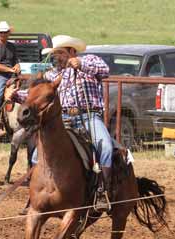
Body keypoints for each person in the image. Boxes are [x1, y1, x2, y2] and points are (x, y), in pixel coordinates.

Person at [7, 34, 113, 210]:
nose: (55, 57)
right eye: (54, 54)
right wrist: (16, 95)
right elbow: (38, 95)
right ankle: (35, 195)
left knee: (106, 148)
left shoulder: (89, 60)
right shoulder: (52, 74)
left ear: (71, 51)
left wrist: (82, 65)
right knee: (36, 155)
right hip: (63, 119)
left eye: (59, 53)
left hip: (89, 116)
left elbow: (104, 70)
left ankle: (102, 192)